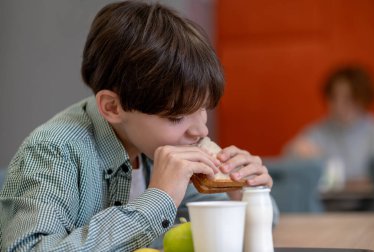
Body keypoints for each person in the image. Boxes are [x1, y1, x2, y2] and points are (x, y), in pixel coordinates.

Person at [0, 1, 275, 251]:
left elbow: (227, 232)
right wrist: (159, 199)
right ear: (112, 107)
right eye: (176, 117)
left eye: (202, 109)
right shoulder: (54, 151)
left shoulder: (161, 146)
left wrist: (245, 195)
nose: (200, 131)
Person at [284, 65, 374, 189]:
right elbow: (287, 163)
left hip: (369, 205)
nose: (339, 106)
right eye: (334, 97)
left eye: (348, 98)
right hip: (327, 204)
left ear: (363, 99)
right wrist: (297, 154)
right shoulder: (318, 132)